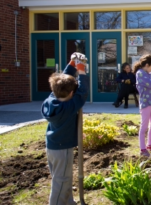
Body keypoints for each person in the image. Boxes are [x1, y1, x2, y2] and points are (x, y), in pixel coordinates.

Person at [41, 52, 89, 205]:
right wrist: (82, 71)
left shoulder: (51, 100)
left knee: (61, 177)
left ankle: (68, 202)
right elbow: (82, 92)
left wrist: (72, 65)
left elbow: (61, 84)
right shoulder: (69, 107)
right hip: (63, 149)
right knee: (61, 181)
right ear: (71, 93)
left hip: (52, 146)